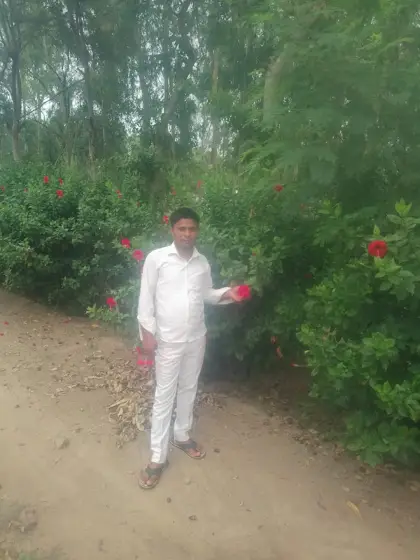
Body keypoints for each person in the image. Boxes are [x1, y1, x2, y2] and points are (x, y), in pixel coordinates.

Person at [137, 207, 244, 489]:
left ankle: (182, 435)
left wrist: (228, 293)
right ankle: (157, 457)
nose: (187, 234)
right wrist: (147, 334)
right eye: (182, 228)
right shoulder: (157, 259)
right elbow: (145, 299)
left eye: (192, 229)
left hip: (196, 337)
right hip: (167, 340)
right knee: (164, 395)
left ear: (197, 231)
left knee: (189, 387)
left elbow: (206, 294)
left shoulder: (201, 263)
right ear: (172, 230)